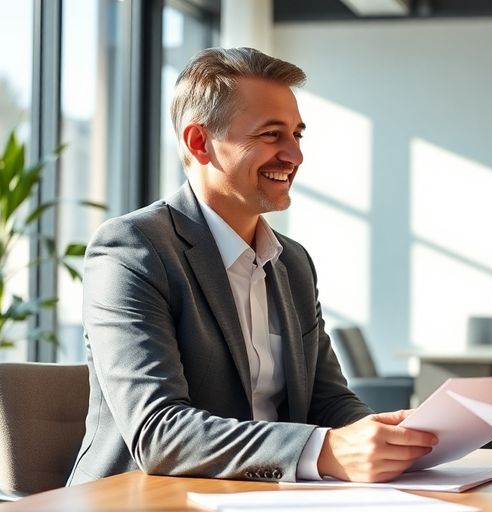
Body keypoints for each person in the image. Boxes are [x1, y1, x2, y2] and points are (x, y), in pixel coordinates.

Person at [69, 47, 436, 486]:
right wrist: (323, 451)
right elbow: (159, 433)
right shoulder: (133, 250)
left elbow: (329, 401)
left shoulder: (293, 262)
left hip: (269, 495)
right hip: (148, 497)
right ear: (199, 142)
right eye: (270, 135)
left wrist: (387, 440)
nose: (294, 156)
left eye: (297, 135)